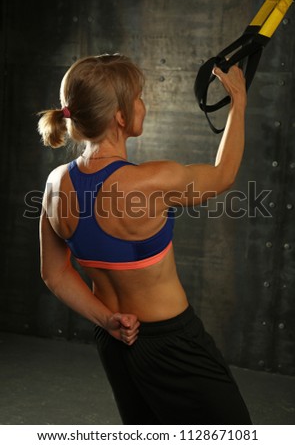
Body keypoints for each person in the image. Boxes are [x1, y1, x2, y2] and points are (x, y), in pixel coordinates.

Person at [38, 53, 252, 425]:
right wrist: (239, 104)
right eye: (138, 96)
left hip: (115, 338)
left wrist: (107, 320)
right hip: (172, 343)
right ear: (120, 116)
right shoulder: (151, 181)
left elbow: (54, 275)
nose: (143, 104)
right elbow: (224, 175)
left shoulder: (55, 184)